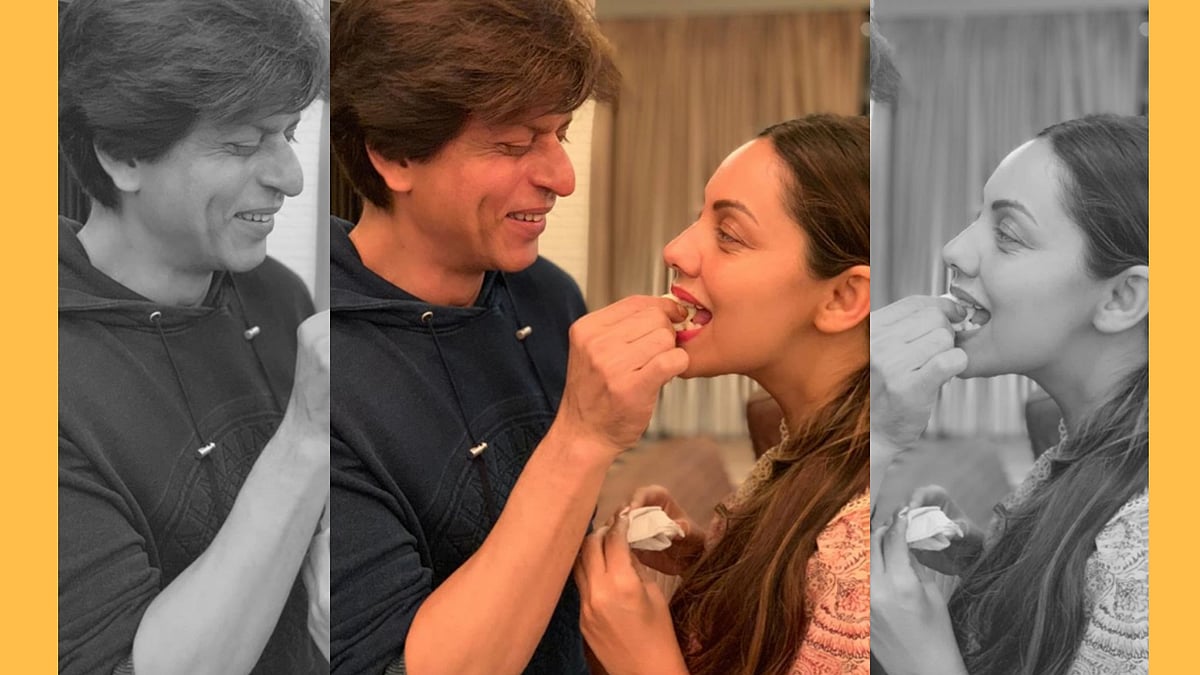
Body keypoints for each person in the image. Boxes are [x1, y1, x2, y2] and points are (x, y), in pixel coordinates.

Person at [327, 1, 688, 673]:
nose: (562, 179)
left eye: (560, 135)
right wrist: (582, 439)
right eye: (515, 145)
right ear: (394, 154)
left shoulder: (549, 297)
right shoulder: (305, 370)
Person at [58, 0, 330, 673]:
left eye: (289, 134)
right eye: (242, 144)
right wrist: (305, 439)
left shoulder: (279, 296)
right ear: (123, 154)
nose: (291, 180)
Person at [573, 115, 872, 675]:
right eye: (700, 219)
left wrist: (644, 663)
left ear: (842, 298)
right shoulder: (808, 445)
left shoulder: (862, 557)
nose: (676, 250)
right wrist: (707, 559)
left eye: (729, 235)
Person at [869, 114, 1149, 675]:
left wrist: (924, 660)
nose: (954, 250)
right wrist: (990, 564)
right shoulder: (1090, 444)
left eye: (1009, 235)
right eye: (979, 218)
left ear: (1121, 298)